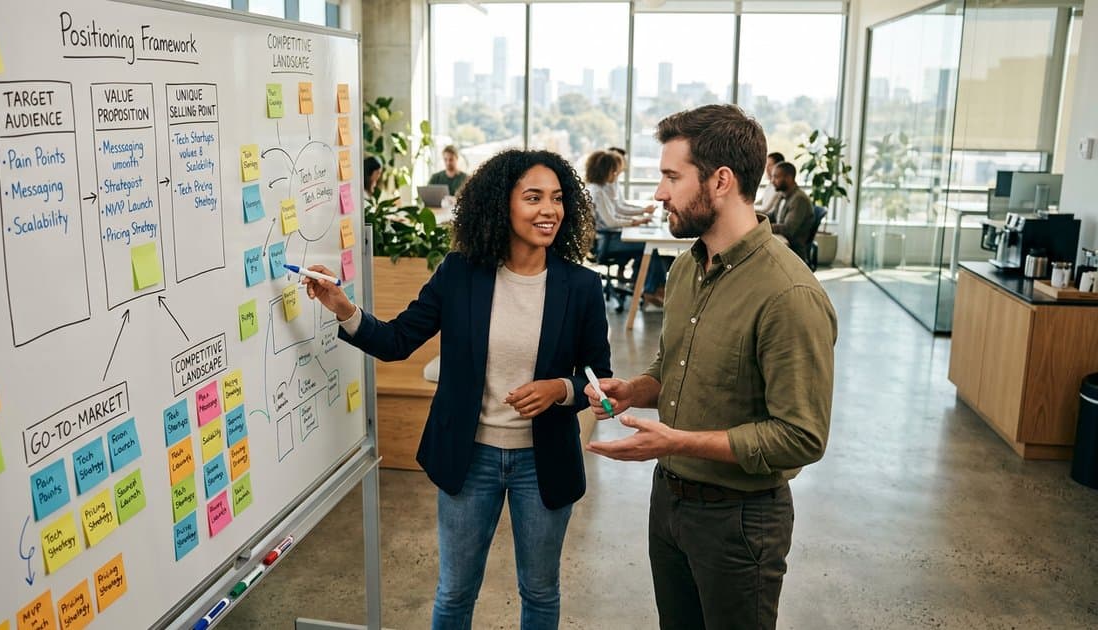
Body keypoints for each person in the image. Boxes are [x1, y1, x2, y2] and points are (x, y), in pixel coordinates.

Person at [303, 149, 612, 629]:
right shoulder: (460, 273)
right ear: (500, 205)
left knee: (540, 590)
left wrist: (559, 389)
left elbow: (598, 376)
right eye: (533, 198)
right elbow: (397, 341)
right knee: (454, 592)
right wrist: (344, 307)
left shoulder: (582, 287)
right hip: (471, 459)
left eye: (556, 199)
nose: (548, 210)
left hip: (544, 460)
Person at [583, 105, 837, 630]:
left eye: (672, 177)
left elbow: (801, 436)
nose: (659, 193)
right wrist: (635, 389)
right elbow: (673, 366)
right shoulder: (685, 269)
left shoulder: (788, 293)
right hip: (670, 502)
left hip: (740, 520)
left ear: (721, 181)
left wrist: (675, 441)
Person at [585, 150, 666, 305]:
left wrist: (638, 218)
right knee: (648, 246)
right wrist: (635, 222)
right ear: (604, 171)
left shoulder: (599, 188)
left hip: (607, 237)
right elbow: (610, 222)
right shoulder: (597, 192)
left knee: (645, 251)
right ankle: (653, 290)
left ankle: (643, 287)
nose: (616, 175)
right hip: (605, 242)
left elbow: (615, 212)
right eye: (613, 171)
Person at [769, 161, 815, 260]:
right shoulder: (783, 194)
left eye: (776, 177)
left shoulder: (799, 199)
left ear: (789, 178)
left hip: (794, 253)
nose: (772, 181)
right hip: (782, 244)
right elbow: (772, 216)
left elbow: (788, 229)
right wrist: (753, 217)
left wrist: (764, 226)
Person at [757, 151, 785, 217]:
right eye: (766, 165)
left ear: (778, 167)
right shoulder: (770, 184)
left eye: (769, 165)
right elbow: (762, 201)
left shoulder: (779, 187)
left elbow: (765, 209)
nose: (766, 168)